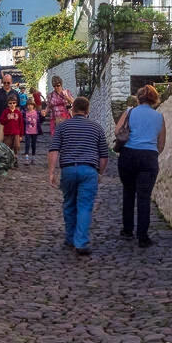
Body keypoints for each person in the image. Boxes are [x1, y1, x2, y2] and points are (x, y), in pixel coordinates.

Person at [47, 96, 108, 255]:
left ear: (72, 109)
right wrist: (100, 173)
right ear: (88, 111)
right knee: (85, 206)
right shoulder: (97, 128)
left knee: (69, 204)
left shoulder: (62, 127)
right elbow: (104, 156)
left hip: (68, 169)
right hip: (89, 170)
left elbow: (54, 150)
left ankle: (69, 237)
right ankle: (80, 242)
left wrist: (52, 172)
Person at [115, 84, 166, 248]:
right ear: (154, 99)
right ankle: (143, 237)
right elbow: (161, 144)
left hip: (128, 155)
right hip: (148, 157)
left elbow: (117, 131)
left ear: (139, 97)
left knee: (128, 192)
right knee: (144, 197)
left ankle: (127, 230)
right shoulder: (159, 117)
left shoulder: (129, 112)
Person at [0, 72, 15, 136]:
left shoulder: (15, 93)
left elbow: (18, 108)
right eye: (4, 82)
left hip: (11, 122)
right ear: (2, 82)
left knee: (10, 143)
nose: (6, 84)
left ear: (11, 82)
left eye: (8, 83)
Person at [1, 95, 24, 165]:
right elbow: (1, 121)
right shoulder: (5, 112)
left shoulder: (18, 113)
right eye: (10, 103)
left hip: (16, 133)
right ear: (8, 104)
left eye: (14, 103)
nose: (12, 105)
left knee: (16, 146)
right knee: (8, 146)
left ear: (16, 103)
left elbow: (21, 124)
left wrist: (21, 135)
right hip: (7, 133)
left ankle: (15, 158)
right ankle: (8, 160)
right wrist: (7, 119)